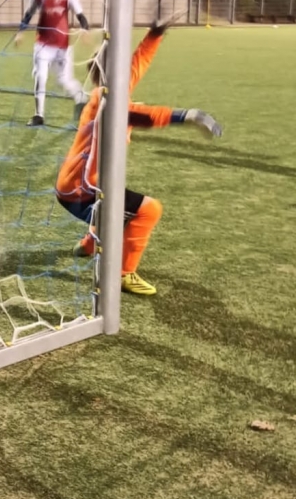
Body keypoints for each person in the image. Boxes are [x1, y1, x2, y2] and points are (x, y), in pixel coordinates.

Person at [55, 21, 222, 296]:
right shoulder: (107, 102)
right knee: (148, 210)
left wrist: (155, 34)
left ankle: (89, 243)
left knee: (115, 198)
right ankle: (124, 274)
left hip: (75, 184)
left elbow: (137, 64)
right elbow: (142, 116)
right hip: (81, 191)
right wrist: (190, 116)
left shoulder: (108, 91)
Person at [16, 0, 88, 126]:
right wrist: (20, 32)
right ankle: (38, 115)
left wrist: (85, 29)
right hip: (42, 44)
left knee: (64, 81)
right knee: (40, 76)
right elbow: (28, 14)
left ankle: (81, 98)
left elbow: (81, 15)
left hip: (62, 46)